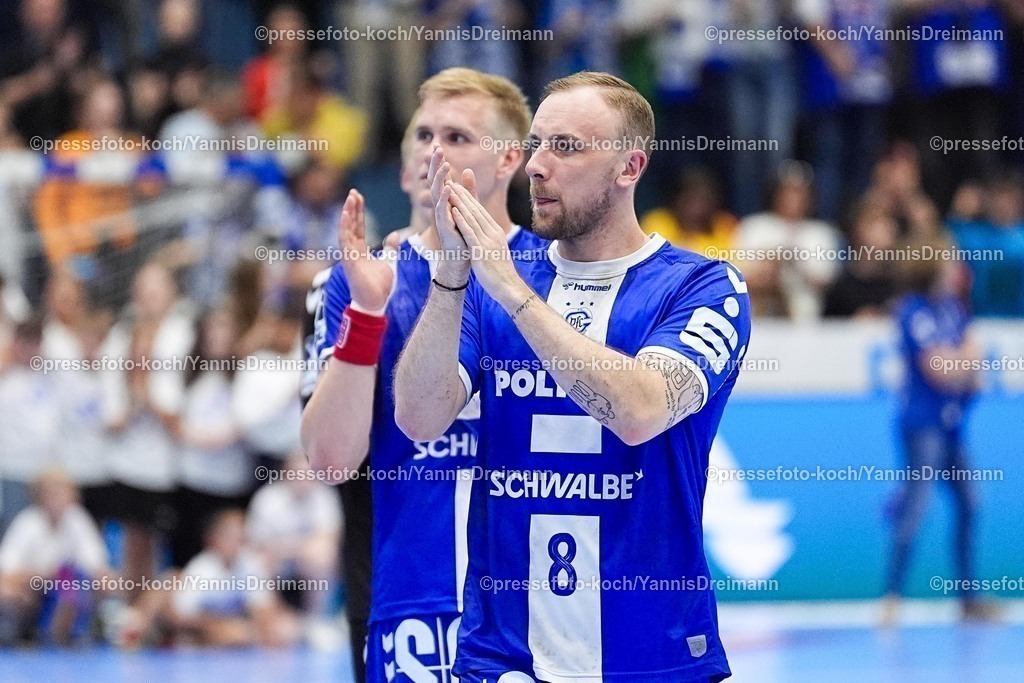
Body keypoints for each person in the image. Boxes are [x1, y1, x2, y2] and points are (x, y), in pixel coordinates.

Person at [395, 71, 749, 683]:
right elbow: (419, 417)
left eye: (566, 146)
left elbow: (641, 411)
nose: (537, 165)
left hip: (652, 657)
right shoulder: (488, 282)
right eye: (535, 144)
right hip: (504, 660)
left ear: (629, 167)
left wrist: (513, 291)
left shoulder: (702, 286)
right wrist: (452, 277)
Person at [301, 67, 541, 683]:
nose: (436, 152)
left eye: (458, 137)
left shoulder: (556, 274)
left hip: (540, 595)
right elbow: (330, 460)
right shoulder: (355, 281)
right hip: (411, 602)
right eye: (424, 136)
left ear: (508, 158)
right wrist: (367, 313)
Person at [882, 235, 996, 625]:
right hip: (922, 425)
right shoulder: (912, 311)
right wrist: (962, 362)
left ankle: (968, 599)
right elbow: (940, 370)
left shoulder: (954, 309)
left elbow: (974, 370)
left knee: (969, 504)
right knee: (917, 505)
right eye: (950, 259)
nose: (957, 266)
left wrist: (960, 364)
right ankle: (891, 598)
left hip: (950, 426)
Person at [0, 469, 111, 645]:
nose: (59, 501)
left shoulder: (78, 521)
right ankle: (21, 629)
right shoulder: (27, 522)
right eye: (53, 495)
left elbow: (96, 566)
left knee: (90, 582)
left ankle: (71, 629)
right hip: (33, 589)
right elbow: (7, 570)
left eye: (64, 494)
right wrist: (43, 576)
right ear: (40, 497)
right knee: (6, 589)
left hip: (65, 589)